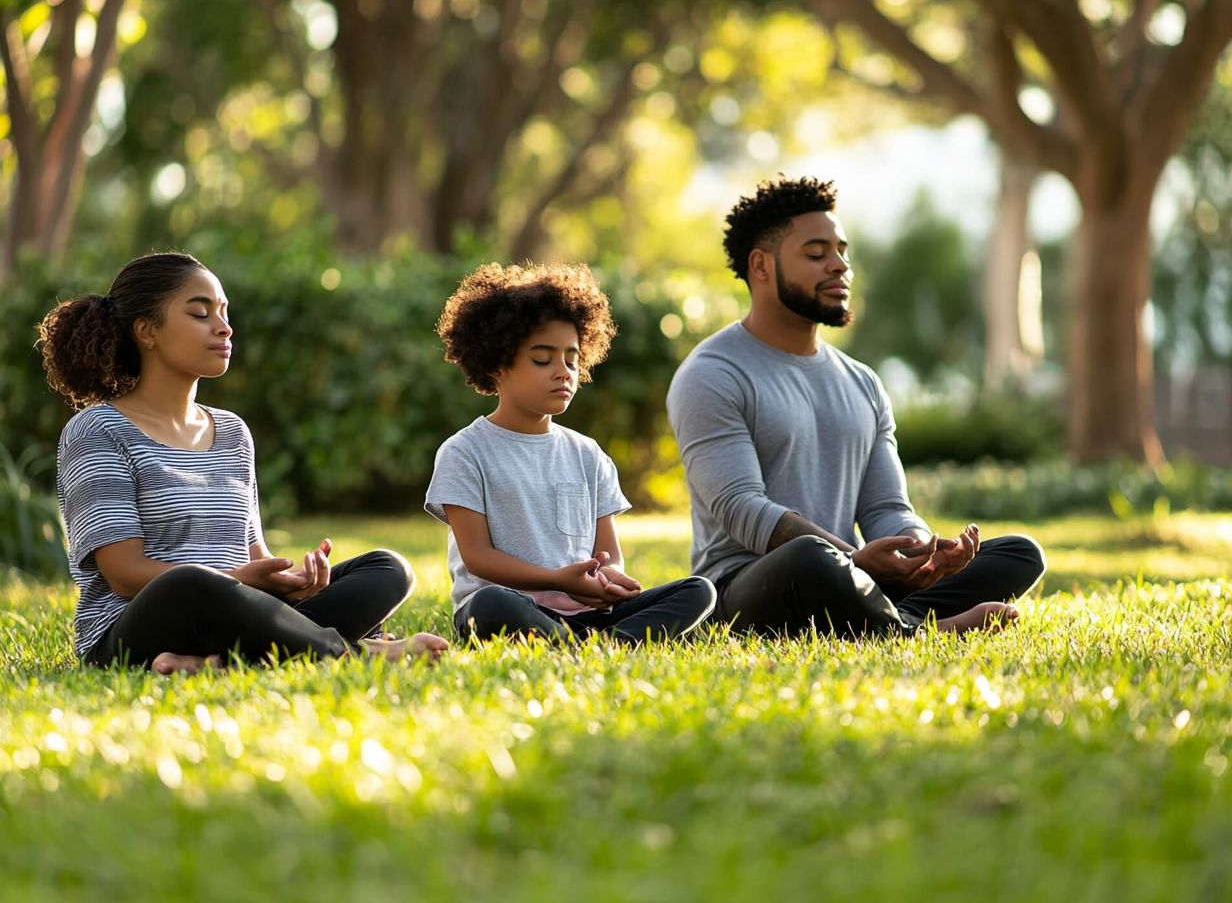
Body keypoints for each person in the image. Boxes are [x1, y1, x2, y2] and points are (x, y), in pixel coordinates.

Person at [667, 177, 1046, 637]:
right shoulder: (712, 373)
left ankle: (890, 614)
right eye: (816, 253)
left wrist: (925, 553)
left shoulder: (861, 381)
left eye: (842, 251)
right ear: (761, 266)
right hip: (749, 590)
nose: (839, 266)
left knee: (1019, 553)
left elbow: (887, 506)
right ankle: (919, 630)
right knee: (809, 557)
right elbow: (740, 507)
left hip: (854, 576)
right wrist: (852, 558)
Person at [39, 252, 448, 673]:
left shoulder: (232, 432)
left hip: (239, 608)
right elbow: (124, 574)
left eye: (224, 312)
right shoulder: (98, 430)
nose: (224, 327)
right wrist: (236, 581)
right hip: (135, 628)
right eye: (201, 313)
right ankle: (357, 653)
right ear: (147, 331)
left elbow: (253, 555)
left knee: (386, 569)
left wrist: (291, 583)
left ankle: (215, 662)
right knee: (192, 583)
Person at [426, 262, 716, 644]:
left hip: (587, 614)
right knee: (488, 604)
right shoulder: (464, 452)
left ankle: (588, 645)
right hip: (510, 609)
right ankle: (608, 644)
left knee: (699, 591)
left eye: (572, 359)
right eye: (542, 359)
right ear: (497, 365)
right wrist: (554, 580)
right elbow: (478, 558)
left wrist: (607, 578)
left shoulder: (587, 453)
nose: (563, 371)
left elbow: (607, 553)